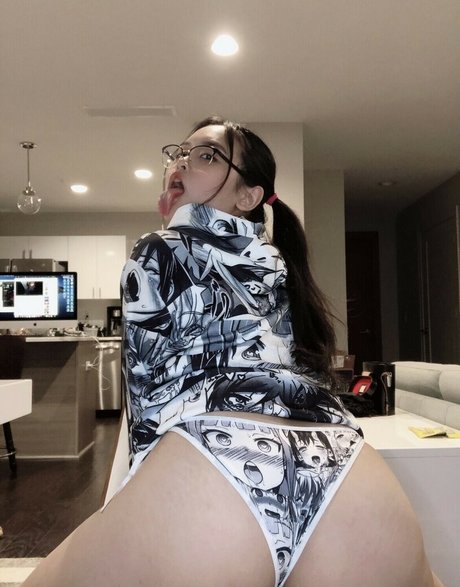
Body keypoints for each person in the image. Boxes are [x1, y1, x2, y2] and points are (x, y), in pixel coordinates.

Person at [23, 116, 442, 587]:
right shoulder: (277, 261)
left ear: (248, 196)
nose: (181, 163)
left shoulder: (155, 249)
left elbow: (147, 401)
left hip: (214, 465)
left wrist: (140, 498)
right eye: (179, 153)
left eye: (207, 155)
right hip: (342, 465)